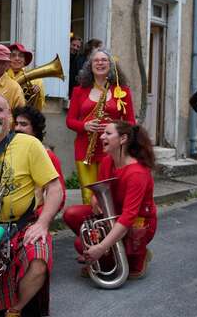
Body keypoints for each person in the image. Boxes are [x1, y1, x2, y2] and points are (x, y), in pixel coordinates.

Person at [0, 93, 63, 317]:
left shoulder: (30, 144)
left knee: (38, 261)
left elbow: (55, 189)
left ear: (9, 115)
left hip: (23, 225)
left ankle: (16, 309)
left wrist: (43, 223)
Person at [63, 121, 157, 280]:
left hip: (137, 226)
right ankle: (109, 255)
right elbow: (97, 191)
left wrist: (100, 247)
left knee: (82, 245)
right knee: (71, 214)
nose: (101, 136)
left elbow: (128, 218)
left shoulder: (137, 173)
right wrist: (94, 199)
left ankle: (137, 255)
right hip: (112, 216)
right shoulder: (107, 161)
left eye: (107, 133)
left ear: (123, 139)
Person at [66, 49, 135, 204]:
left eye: (104, 60)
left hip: (112, 150)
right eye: (96, 60)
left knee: (111, 196)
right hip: (85, 149)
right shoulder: (78, 91)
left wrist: (114, 129)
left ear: (111, 65)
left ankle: (111, 227)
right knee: (88, 198)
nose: (100, 63)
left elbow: (131, 122)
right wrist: (85, 126)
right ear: (90, 66)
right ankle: (93, 228)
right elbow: (70, 121)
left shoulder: (122, 91)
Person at [12, 105, 66, 208]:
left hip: (33, 218)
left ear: (35, 129)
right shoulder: (11, 151)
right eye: (16, 124)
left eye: (23, 124)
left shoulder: (48, 156)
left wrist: (41, 218)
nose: (18, 128)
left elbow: (59, 196)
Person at [7, 43, 45, 111]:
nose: (17, 58)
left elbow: (39, 108)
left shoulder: (36, 80)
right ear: (8, 59)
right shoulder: (2, 77)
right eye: (13, 55)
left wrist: (37, 95)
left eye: (21, 56)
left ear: (25, 60)